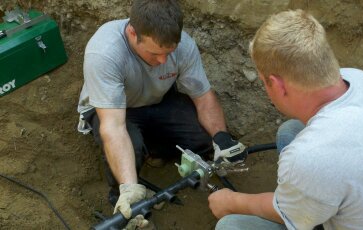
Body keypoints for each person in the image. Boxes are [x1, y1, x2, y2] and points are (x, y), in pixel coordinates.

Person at [208, 9, 363, 230]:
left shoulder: (309, 157)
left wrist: (232, 202)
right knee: (290, 131)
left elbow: (285, 211)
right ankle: (309, 200)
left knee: (230, 225)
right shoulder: (362, 80)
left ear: (278, 84)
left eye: (264, 82)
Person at [76, 0, 247, 227]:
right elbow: (113, 127)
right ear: (132, 32)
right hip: (115, 110)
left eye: (169, 52)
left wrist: (222, 138)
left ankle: (151, 150)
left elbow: (203, 96)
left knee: (203, 138)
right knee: (129, 145)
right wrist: (129, 187)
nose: (163, 61)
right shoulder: (106, 51)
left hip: (157, 100)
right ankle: (123, 200)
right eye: (155, 53)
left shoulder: (184, 45)